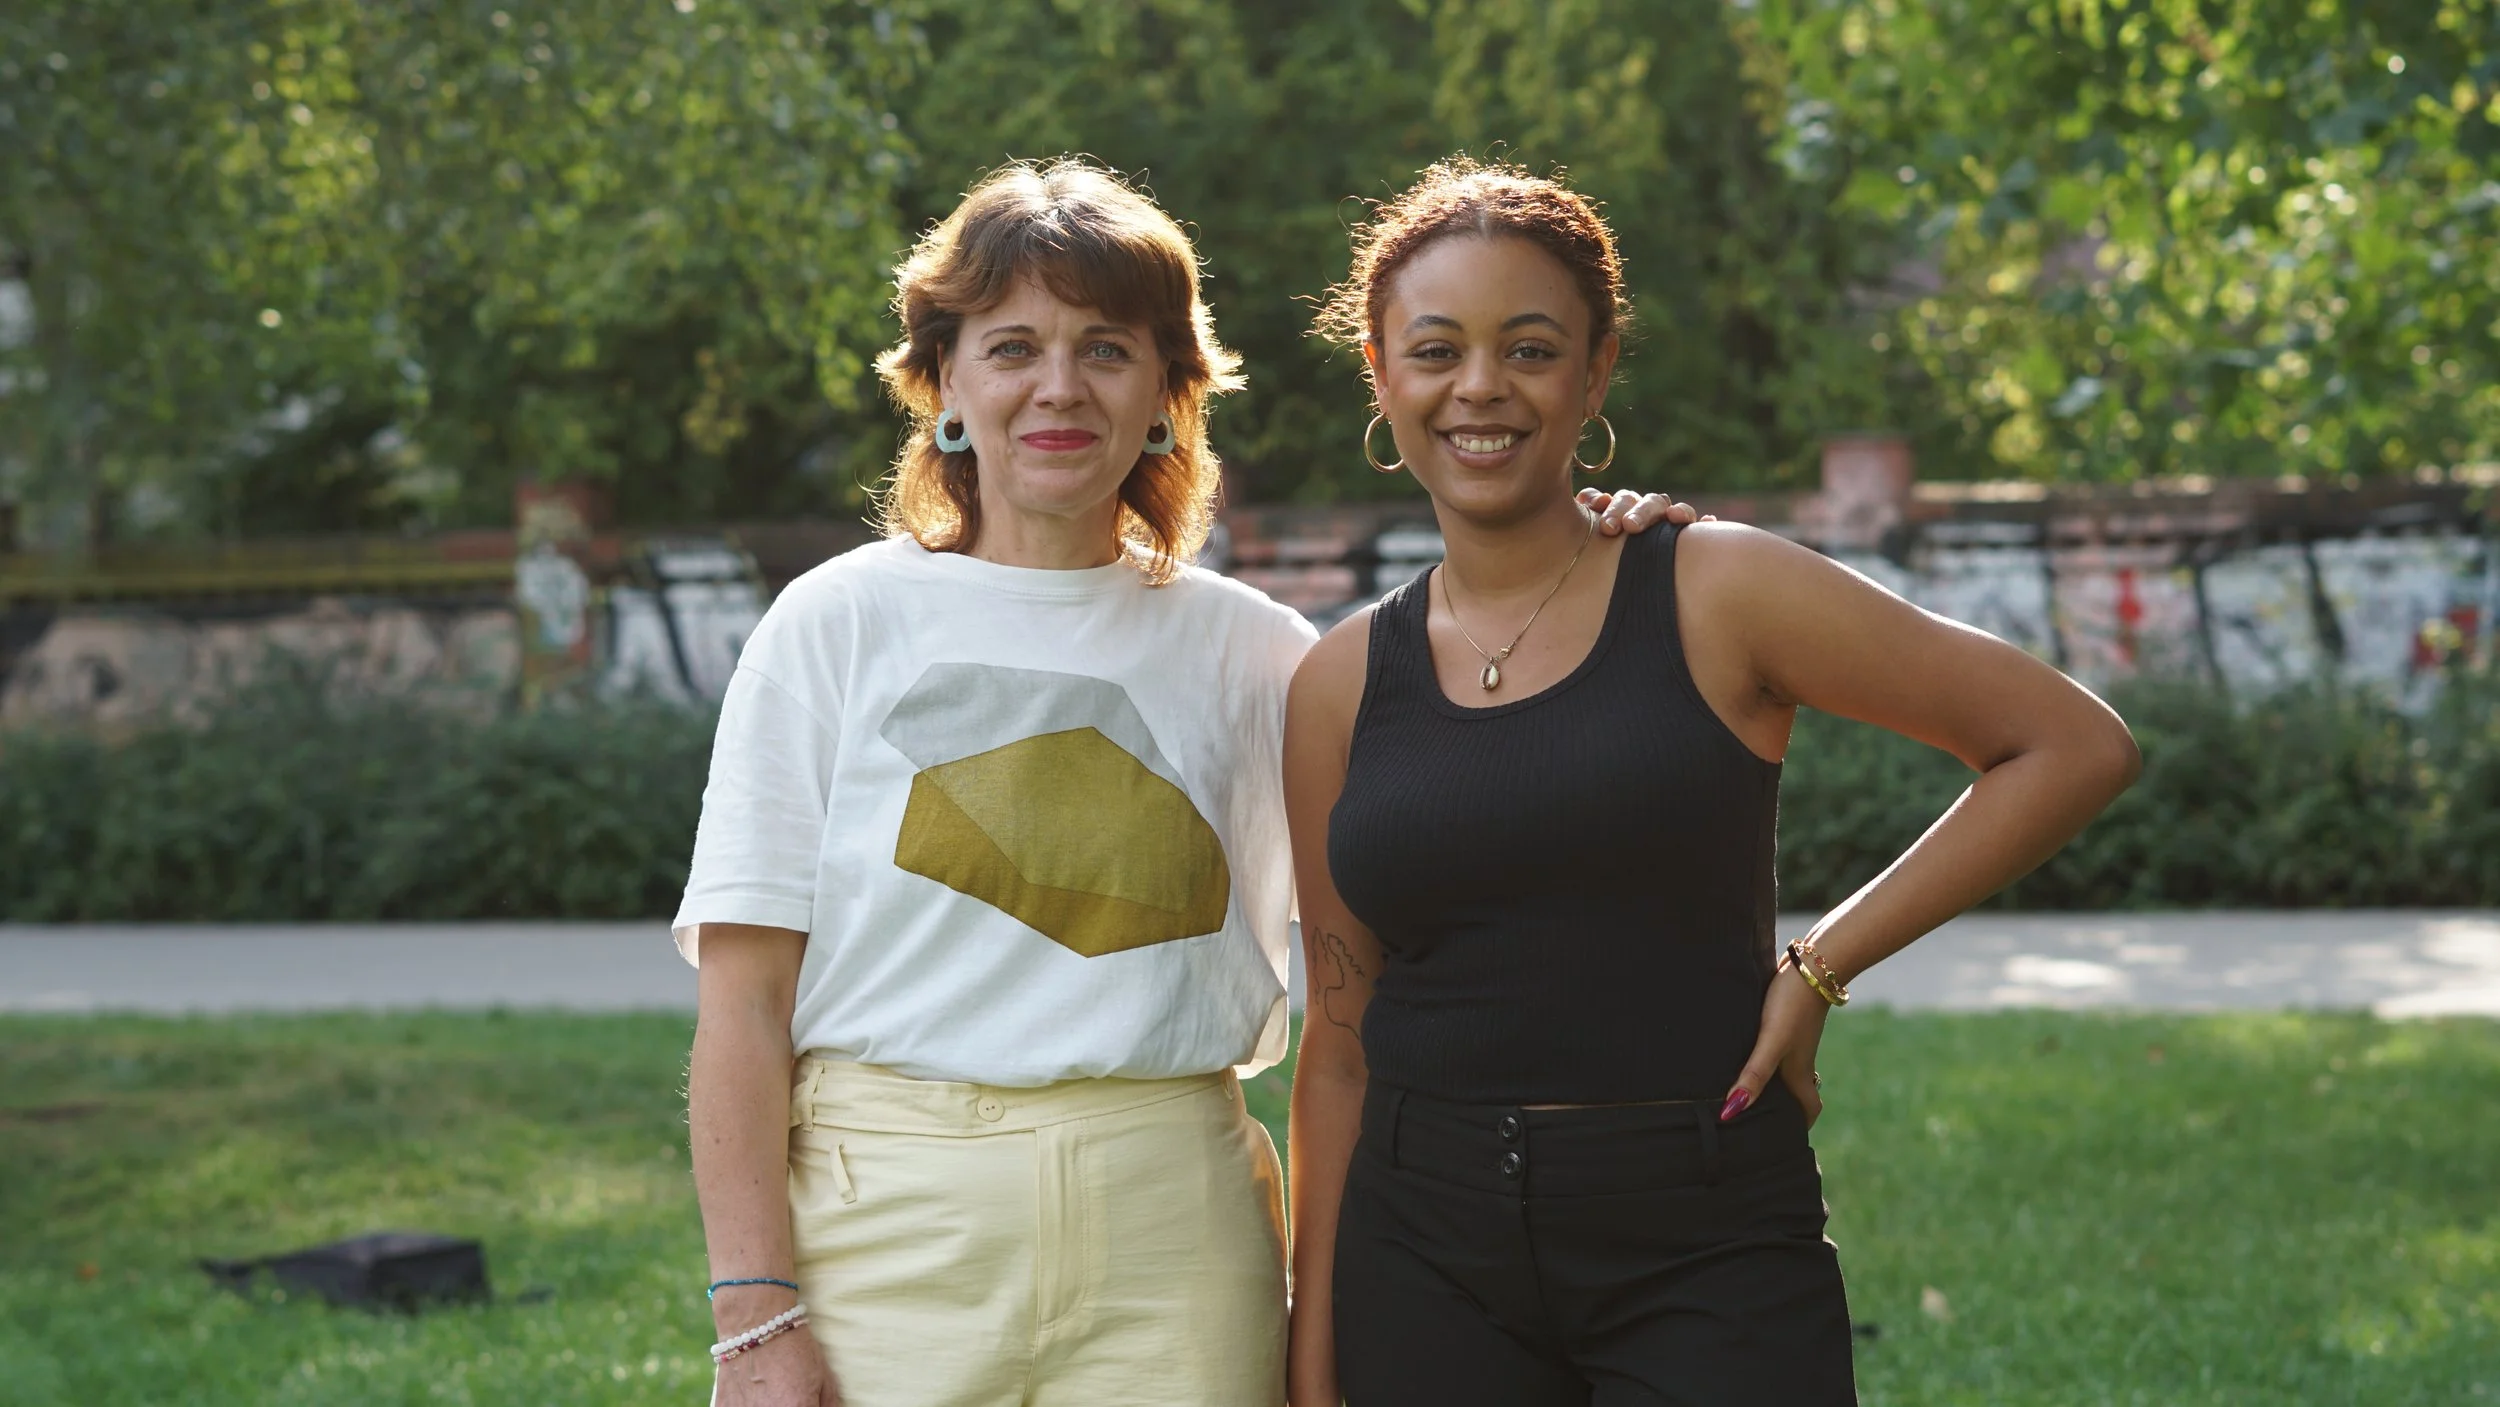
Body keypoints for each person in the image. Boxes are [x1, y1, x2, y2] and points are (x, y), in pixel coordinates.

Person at [674, 157, 1695, 1407]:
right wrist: (754, 1316)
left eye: (1107, 349)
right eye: (1011, 348)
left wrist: (1597, 549)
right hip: (885, 1229)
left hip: (1176, 1232)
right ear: (942, 380)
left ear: (1168, 388)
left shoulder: (1266, 656)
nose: (1060, 387)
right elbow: (742, 1004)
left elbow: (1474, 819)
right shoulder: (831, 624)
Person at [1282, 156, 2142, 1407]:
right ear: (1380, 371)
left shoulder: (1714, 587)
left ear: (1596, 369)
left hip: (1700, 1231)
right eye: (1436, 349)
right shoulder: (1339, 681)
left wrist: (1822, 962)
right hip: (1422, 1250)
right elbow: (1340, 1050)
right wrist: (1315, 1361)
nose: (1480, 388)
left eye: (1528, 348)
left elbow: (2069, 746)